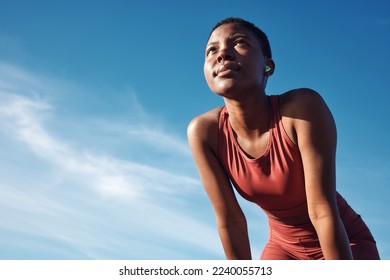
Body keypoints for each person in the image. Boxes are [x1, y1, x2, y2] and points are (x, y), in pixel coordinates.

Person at [187, 17, 380, 260]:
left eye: (239, 43)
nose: (222, 53)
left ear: (268, 66)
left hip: (343, 241)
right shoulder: (204, 132)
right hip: (283, 248)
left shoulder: (302, 109)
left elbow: (322, 211)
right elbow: (230, 221)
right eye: (211, 50)